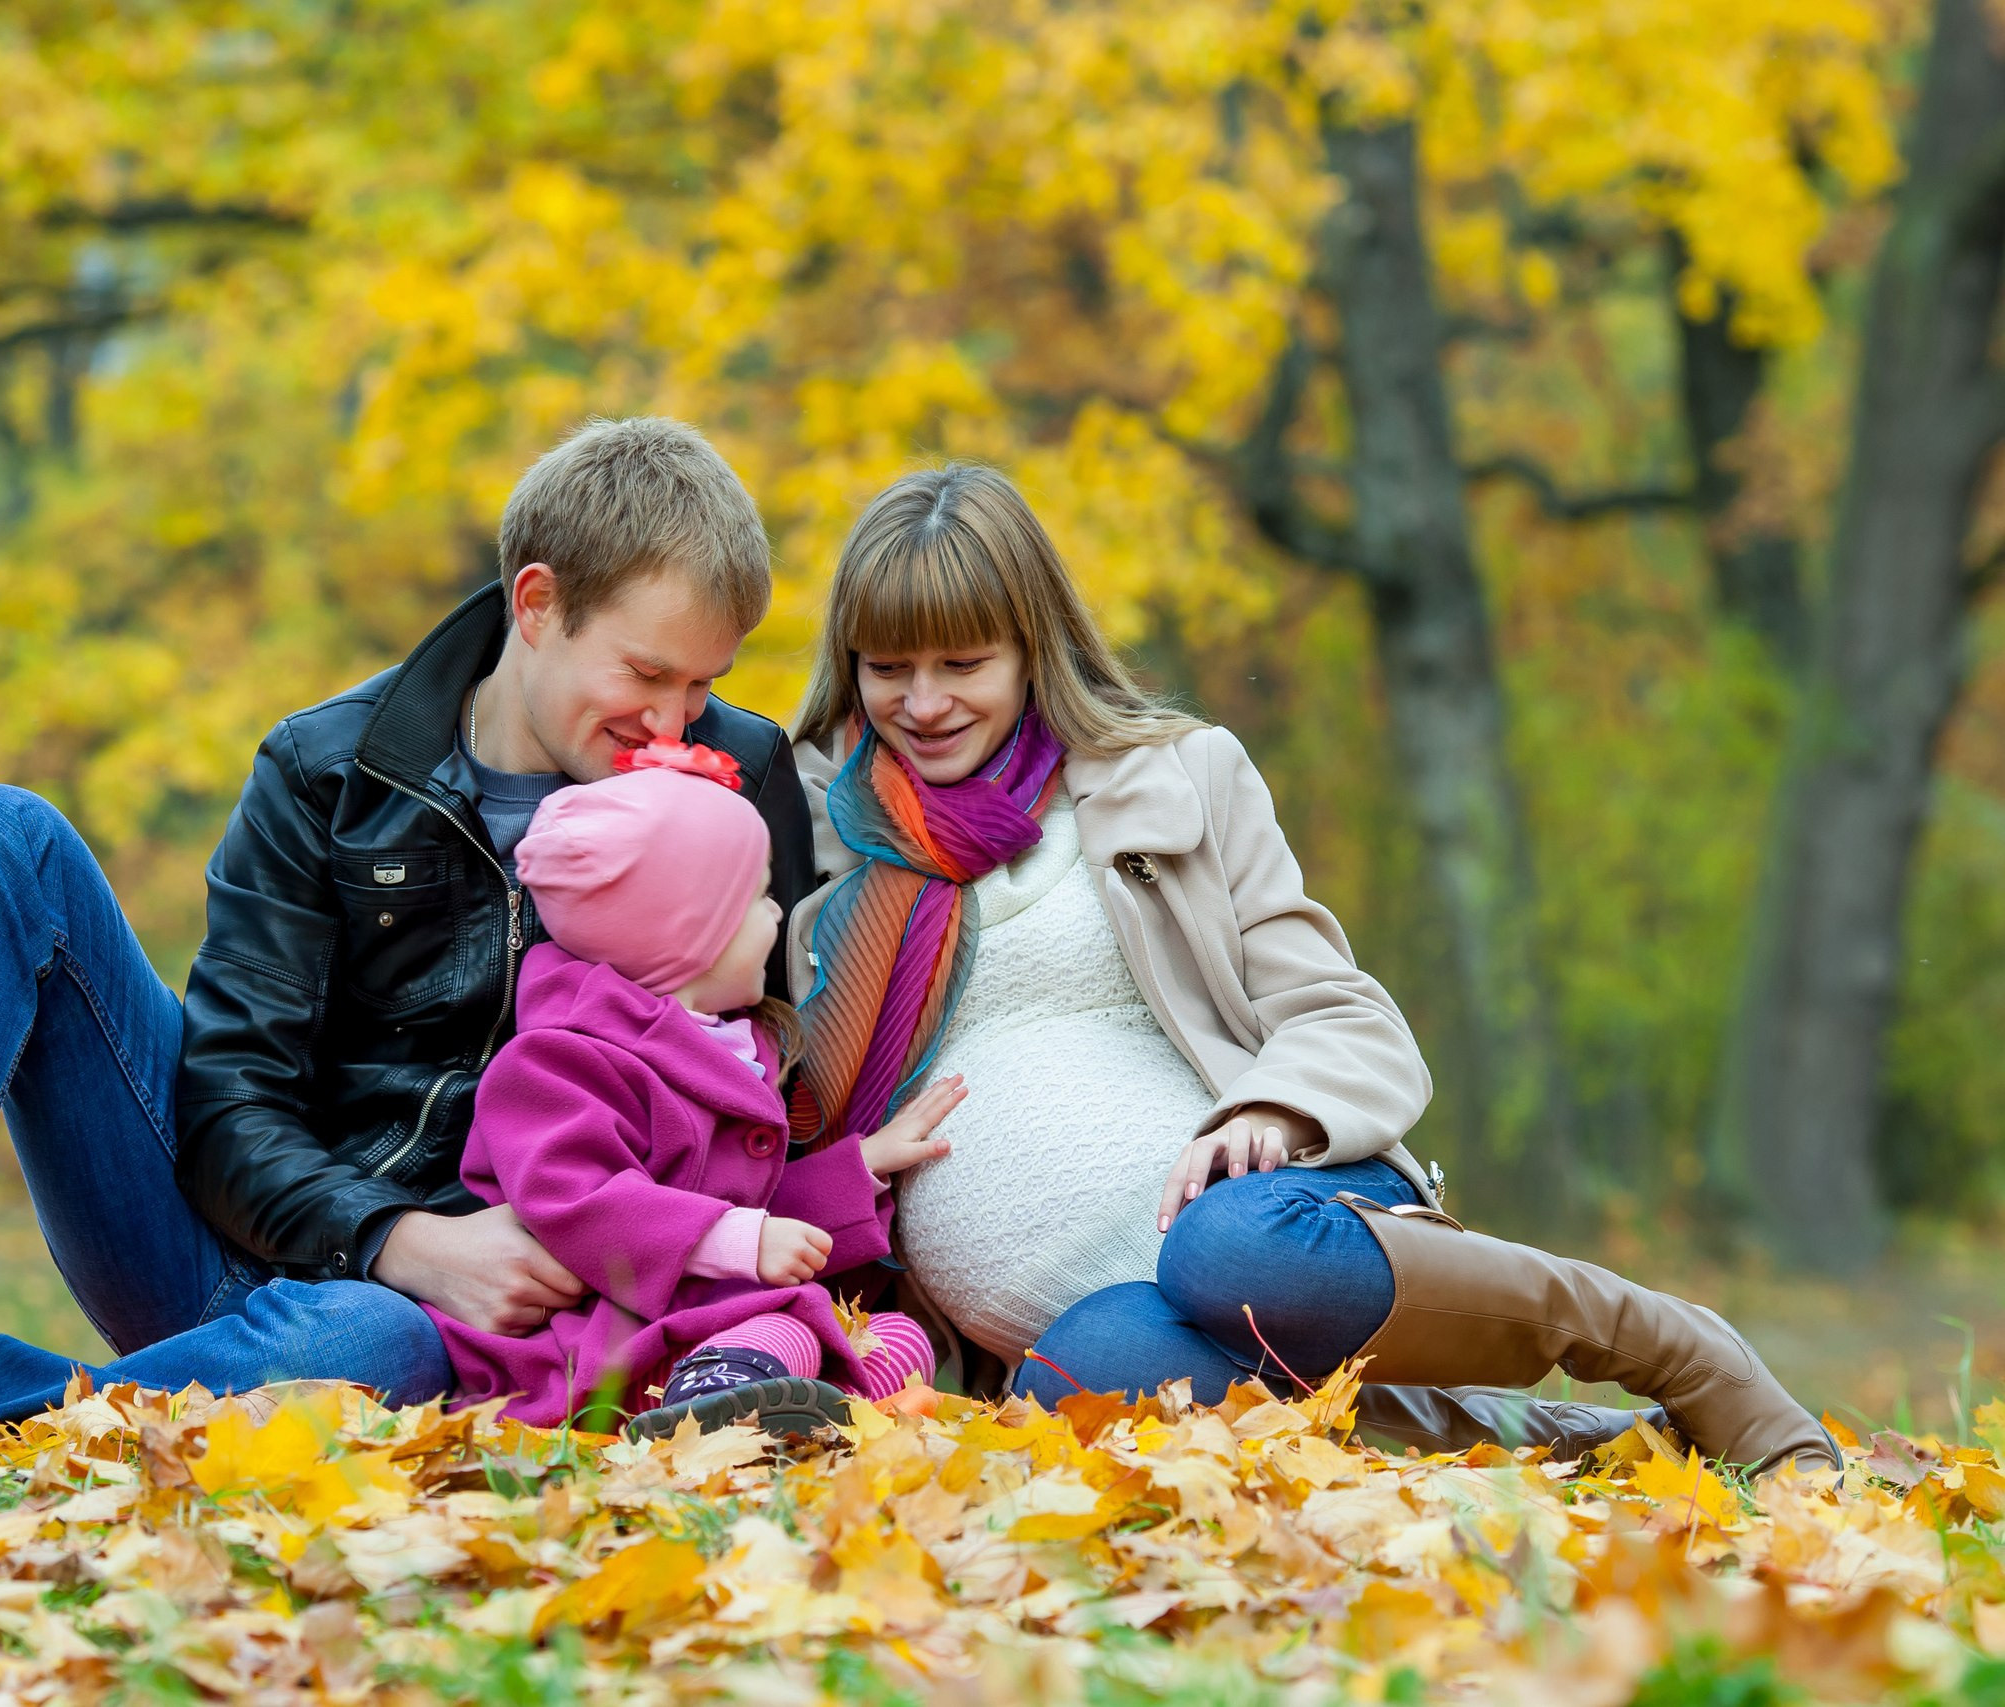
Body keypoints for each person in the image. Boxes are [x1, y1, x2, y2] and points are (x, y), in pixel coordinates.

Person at [0, 417, 822, 1445]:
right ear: (538, 604)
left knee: (374, 1347)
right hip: (245, 1249)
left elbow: (749, 1075)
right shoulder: (327, 771)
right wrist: (396, 1236)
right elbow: (227, 1100)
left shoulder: (735, 780)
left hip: (473, 1327)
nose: (672, 720)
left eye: (703, 686)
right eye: (647, 673)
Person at [782, 463, 1839, 1474]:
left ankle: (1661, 1342)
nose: (921, 704)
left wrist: (1275, 1115)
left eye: (960, 664)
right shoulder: (817, 852)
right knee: (1084, 1383)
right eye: (889, 668)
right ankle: (1587, 1448)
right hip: (1084, 1322)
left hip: (1273, 1218)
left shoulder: (1174, 782)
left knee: (1225, 1254)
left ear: (1031, 648)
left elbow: (1342, 1014)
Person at [426, 745, 955, 1441]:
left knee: (897, 1337)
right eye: (757, 897)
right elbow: (581, 1200)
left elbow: (739, 1209)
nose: (776, 912)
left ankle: (797, 1421)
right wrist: (735, 1238)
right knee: (780, 1327)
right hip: (592, 1343)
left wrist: (858, 1168)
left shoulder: (722, 1040)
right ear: (691, 932)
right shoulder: (557, 1059)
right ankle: (707, 1422)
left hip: (693, 1321)